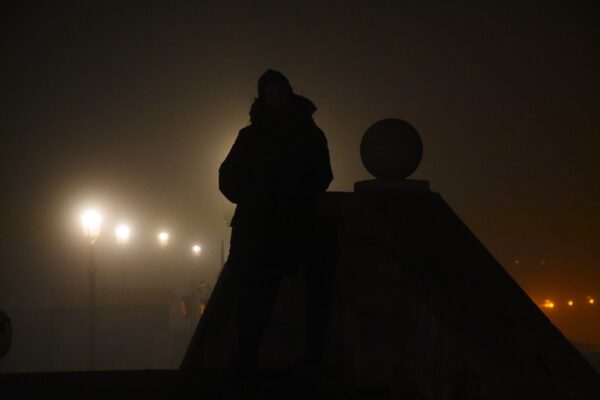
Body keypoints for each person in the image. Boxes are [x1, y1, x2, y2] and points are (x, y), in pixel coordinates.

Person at [219, 69, 335, 379]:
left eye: (278, 93)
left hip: (287, 226)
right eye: (269, 95)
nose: (275, 100)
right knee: (250, 294)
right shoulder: (252, 136)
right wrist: (255, 195)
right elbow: (227, 177)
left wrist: (284, 195)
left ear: (287, 93)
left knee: (271, 293)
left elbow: (322, 177)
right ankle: (246, 358)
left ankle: (252, 360)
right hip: (258, 226)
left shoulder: (308, 135)